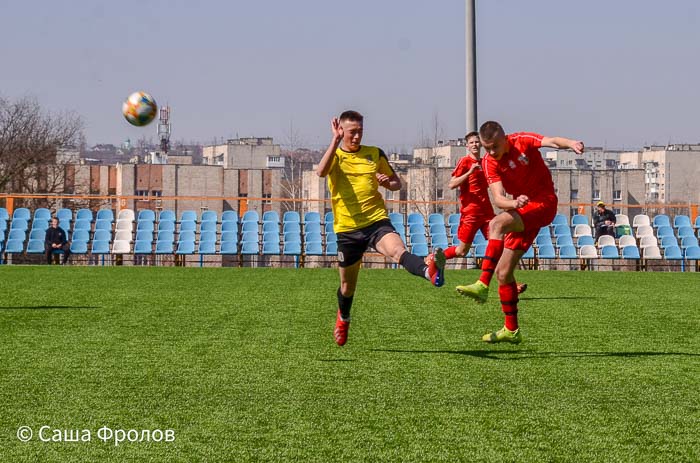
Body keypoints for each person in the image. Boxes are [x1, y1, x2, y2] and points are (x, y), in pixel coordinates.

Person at [316, 110, 446, 346]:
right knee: (347, 287)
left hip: (376, 221)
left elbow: (397, 183)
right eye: (352, 132)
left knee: (398, 251)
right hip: (347, 229)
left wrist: (389, 182)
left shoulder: (374, 154)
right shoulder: (334, 155)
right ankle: (343, 317)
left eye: (360, 132)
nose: (356, 137)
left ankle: (430, 272)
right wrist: (334, 141)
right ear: (341, 130)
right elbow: (321, 172)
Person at [456, 121, 584, 344]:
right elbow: (498, 198)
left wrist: (571, 143)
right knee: (504, 274)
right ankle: (511, 330)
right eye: (487, 148)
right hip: (521, 210)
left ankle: (482, 284)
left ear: (505, 138)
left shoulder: (522, 141)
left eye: (495, 146)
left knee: (496, 225)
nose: (491, 152)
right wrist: (513, 202)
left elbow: (551, 141)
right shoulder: (488, 163)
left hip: (544, 203)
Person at [445, 131, 527, 294]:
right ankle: (434, 259)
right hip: (470, 214)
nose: (475, 145)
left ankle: (512, 285)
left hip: (487, 213)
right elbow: (451, 184)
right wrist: (469, 173)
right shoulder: (465, 162)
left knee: (499, 248)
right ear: (467, 146)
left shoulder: (486, 162)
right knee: (462, 251)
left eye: (477, 142)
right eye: (472, 142)